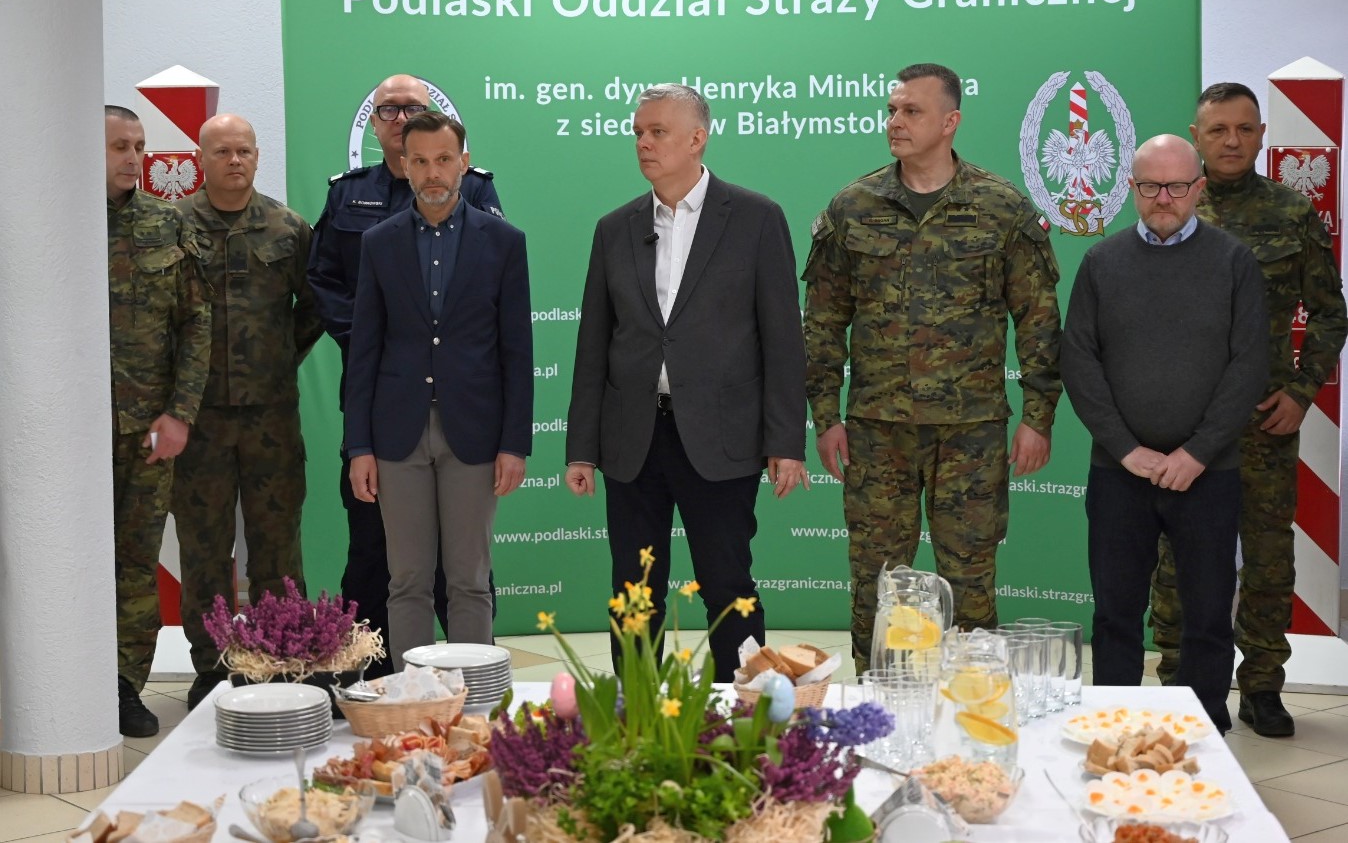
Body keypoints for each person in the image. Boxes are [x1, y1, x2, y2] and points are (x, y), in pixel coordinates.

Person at [802, 63, 1062, 671]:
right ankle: (879, 702)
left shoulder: (1001, 208)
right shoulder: (853, 207)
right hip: (878, 430)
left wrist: (1038, 417)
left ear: (950, 122)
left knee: (970, 581)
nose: (895, 122)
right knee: (878, 582)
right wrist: (825, 416)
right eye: (892, 110)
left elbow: (1039, 321)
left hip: (971, 432)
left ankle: (973, 705)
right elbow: (822, 323)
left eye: (911, 111)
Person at [564, 83, 808, 683]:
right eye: (638, 133)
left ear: (698, 138)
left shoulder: (756, 218)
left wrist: (786, 442)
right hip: (633, 437)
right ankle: (636, 712)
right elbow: (593, 346)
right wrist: (582, 448)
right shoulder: (614, 228)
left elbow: (783, 339)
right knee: (633, 590)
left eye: (658, 132)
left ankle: (747, 713)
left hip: (723, 436)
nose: (643, 143)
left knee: (728, 584)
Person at [1148, 83, 1347, 736]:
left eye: (1244, 128)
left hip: (1264, 419)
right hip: (1184, 420)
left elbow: (1330, 311)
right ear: (1196, 136)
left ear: (1261, 134)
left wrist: (1302, 390)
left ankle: (1262, 684)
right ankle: (1178, 680)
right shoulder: (1171, 207)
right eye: (1218, 130)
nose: (1231, 141)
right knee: (1178, 555)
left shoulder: (1292, 212)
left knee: (1266, 556)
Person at [1062, 134, 1268, 733]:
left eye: (1177, 186)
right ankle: (1114, 725)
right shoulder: (1102, 263)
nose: (1164, 198)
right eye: (1150, 186)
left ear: (1198, 189)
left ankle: (1202, 729)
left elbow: (1249, 365)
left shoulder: (1234, 262)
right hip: (1120, 473)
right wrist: (1126, 449)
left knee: (1207, 616)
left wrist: (1197, 452)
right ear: (1131, 189)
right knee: (1115, 615)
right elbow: (1080, 361)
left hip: (1208, 473)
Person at [308, 74, 504, 675]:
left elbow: (489, 301)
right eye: (388, 110)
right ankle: (372, 677)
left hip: (460, 409)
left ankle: (467, 680)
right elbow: (324, 281)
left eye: (410, 108)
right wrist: (378, 337)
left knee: (464, 569)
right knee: (376, 551)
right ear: (374, 124)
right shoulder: (349, 196)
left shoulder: (477, 193)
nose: (399, 119)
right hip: (381, 400)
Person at [345, 111, 532, 666]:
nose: (433, 173)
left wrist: (514, 443)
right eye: (421, 161)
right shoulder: (379, 243)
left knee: (470, 579)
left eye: (444, 160)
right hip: (396, 434)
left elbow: (517, 352)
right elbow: (364, 352)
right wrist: (359, 446)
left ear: (463, 163)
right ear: (404, 165)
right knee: (406, 580)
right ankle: (412, 699)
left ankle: (473, 701)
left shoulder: (504, 242)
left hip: (474, 432)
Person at [174, 114, 324, 709]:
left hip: (271, 418)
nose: (235, 160)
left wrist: (279, 356)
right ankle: (211, 666)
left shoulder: (289, 228)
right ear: (200, 159)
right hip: (199, 418)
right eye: (222, 152)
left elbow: (315, 306)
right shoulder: (173, 226)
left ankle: (280, 659)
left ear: (257, 157)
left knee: (276, 545)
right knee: (204, 548)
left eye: (244, 151)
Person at [105, 105, 212, 735]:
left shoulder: (165, 222)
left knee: (136, 560)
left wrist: (179, 414)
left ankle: (123, 685)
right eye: (119, 145)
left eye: (139, 145)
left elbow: (196, 323)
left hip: (146, 428)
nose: (132, 157)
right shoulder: (52, 221)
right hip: (68, 436)